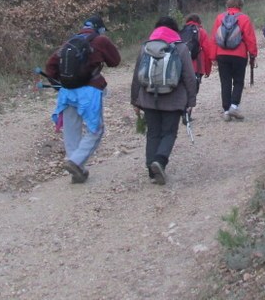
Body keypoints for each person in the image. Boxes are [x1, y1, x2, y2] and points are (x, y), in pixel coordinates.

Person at [44, 14, 121, 184]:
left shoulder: (70, 41)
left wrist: (62, 83)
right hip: (90, 92)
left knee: (71, 131)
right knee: (96, 130)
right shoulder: (101, 40)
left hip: (67, 92)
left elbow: (50, 67)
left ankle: (76, 170)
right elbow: (115, 61)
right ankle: (76, 161)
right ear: (99, 28)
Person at [131, 16, 198, 185]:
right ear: (175, 30)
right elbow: (189, 77)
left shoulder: (145, 47)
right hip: (173, 100)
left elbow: (137, 76)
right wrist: (191, 101)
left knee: (153, 133)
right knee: (169, 132)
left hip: (148, 98)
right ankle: (160, 162)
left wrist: (135, 100)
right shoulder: (180, 48)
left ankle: (151, 171)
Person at [206, 0, 258, 120]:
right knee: (238, 81)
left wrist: (213, 57)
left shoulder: (220, 18)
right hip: (239, 54)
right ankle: (234, 107)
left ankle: (226, 110)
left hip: (222, 54)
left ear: (228, 3)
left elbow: (214, 38)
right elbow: (250, 39)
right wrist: (253, 54)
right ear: (241, 5)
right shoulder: (244, 18)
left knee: (225, 82)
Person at [181, 13, 212, 92]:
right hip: (197, 67)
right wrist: (207, 70)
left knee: (183, 88)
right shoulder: (202, 32)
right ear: (199, 21)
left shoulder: (182, 31)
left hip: (183, 66)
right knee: (194, 89)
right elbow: (207, 51)